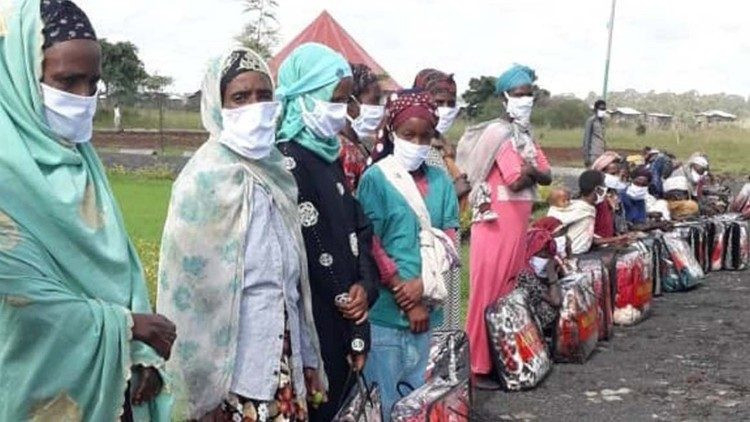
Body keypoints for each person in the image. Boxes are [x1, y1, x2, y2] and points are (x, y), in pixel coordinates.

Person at [0, 1, 174, 420]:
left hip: (115, 383)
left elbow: (122, 267)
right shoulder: (6, 172)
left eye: (93, 82)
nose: (83, 98)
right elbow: (18, 294)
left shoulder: (83, 162)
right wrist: (128, 326)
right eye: (66, 81)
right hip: (35, 391)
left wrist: (140, 352)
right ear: (21, 76)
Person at [157, 48, 327, 421]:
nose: (255, 107)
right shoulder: (202, 180)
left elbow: (292, 283)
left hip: (282, 360)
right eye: (240, 97)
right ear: (218, 106)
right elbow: (188, 297)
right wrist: (202, 393)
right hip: (231, 373)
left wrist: (307, 357)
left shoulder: (277, 173)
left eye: (264, 96)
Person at [274, 43, 380, 422]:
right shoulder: (286, 163)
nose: (342, 109)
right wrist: (353, 316)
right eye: (333, 100)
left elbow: (358, 228)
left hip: (345, 317)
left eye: (345, 99)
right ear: (303, 96)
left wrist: (365, 286)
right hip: (315, 324)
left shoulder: (328, 155)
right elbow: (317, 251)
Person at [358, 89, 459, 420]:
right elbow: (371, 243)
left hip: (430, 311)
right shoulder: (376, 179)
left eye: (425, 136)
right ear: (391, 133)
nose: (417, 143)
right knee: (385, 401)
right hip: (387, 314)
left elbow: (449, 238)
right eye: (408, 135)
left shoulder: (441, 181)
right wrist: (406, 295)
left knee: (420, 401)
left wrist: (423, 289)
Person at [459, 64, 551, 389]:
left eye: (529, 94)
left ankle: (500, 358)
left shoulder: (523, 135)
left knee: (506, 292)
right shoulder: (498, 134)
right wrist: (532, 171)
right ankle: (477, 364)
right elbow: (514, 179)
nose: (525, 100)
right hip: (496, 222)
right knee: (487, 291)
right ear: (504, 97)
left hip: (515, 223)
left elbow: (546, 173)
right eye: (518, 94)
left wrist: (532, 171)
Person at [549, 170, 630, 254]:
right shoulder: (580, 209)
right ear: (597, 189)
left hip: (582, 252)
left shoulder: (588, 208)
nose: (605, 189)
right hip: (574, 255)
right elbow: (555, 227)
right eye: (604, 185)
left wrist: (617, 239)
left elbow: (589, 238)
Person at [339, 63, 384, 192]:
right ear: (351, 103)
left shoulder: (362, 144)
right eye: (375, 100)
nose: (380, 108)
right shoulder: (342, 150)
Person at [516, 220, 563, 337]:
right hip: (528, 327)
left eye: (549, 255)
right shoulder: (524, 274)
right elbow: (556, 301)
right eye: (542, 255)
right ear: (530, 252)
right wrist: (552, 275)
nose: (546, 260)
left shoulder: (537, 270)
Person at [620, 166, 672, 231]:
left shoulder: (640, 199)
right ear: (631, 180)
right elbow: (629, 224)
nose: (639, 186)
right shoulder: (621, 197)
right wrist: (656, 225)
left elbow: (638, 219)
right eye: (637, 183)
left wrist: (649, 215)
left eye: (643, 185)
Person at [582, 99, 607, 167]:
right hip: (593, 154)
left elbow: (602, 138)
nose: (602, 111)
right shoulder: (591, 121)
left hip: (601, 153)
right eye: (601, 109)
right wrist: (586, 157)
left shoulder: (603, 122)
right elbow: (586, 139)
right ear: (596, 109)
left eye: (604, 109)